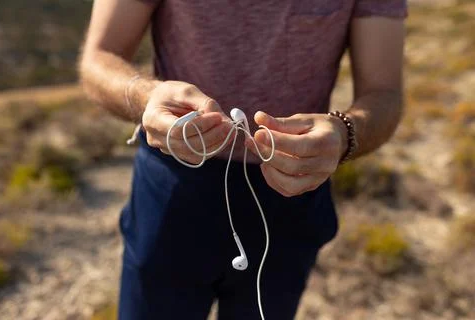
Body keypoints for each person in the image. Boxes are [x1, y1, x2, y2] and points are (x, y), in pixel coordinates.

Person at [79, 0, 407, 319]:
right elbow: (98, 59)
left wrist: (345, 133)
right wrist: (145, 96)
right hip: (173, 186)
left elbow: (384, 93)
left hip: (291, 192)